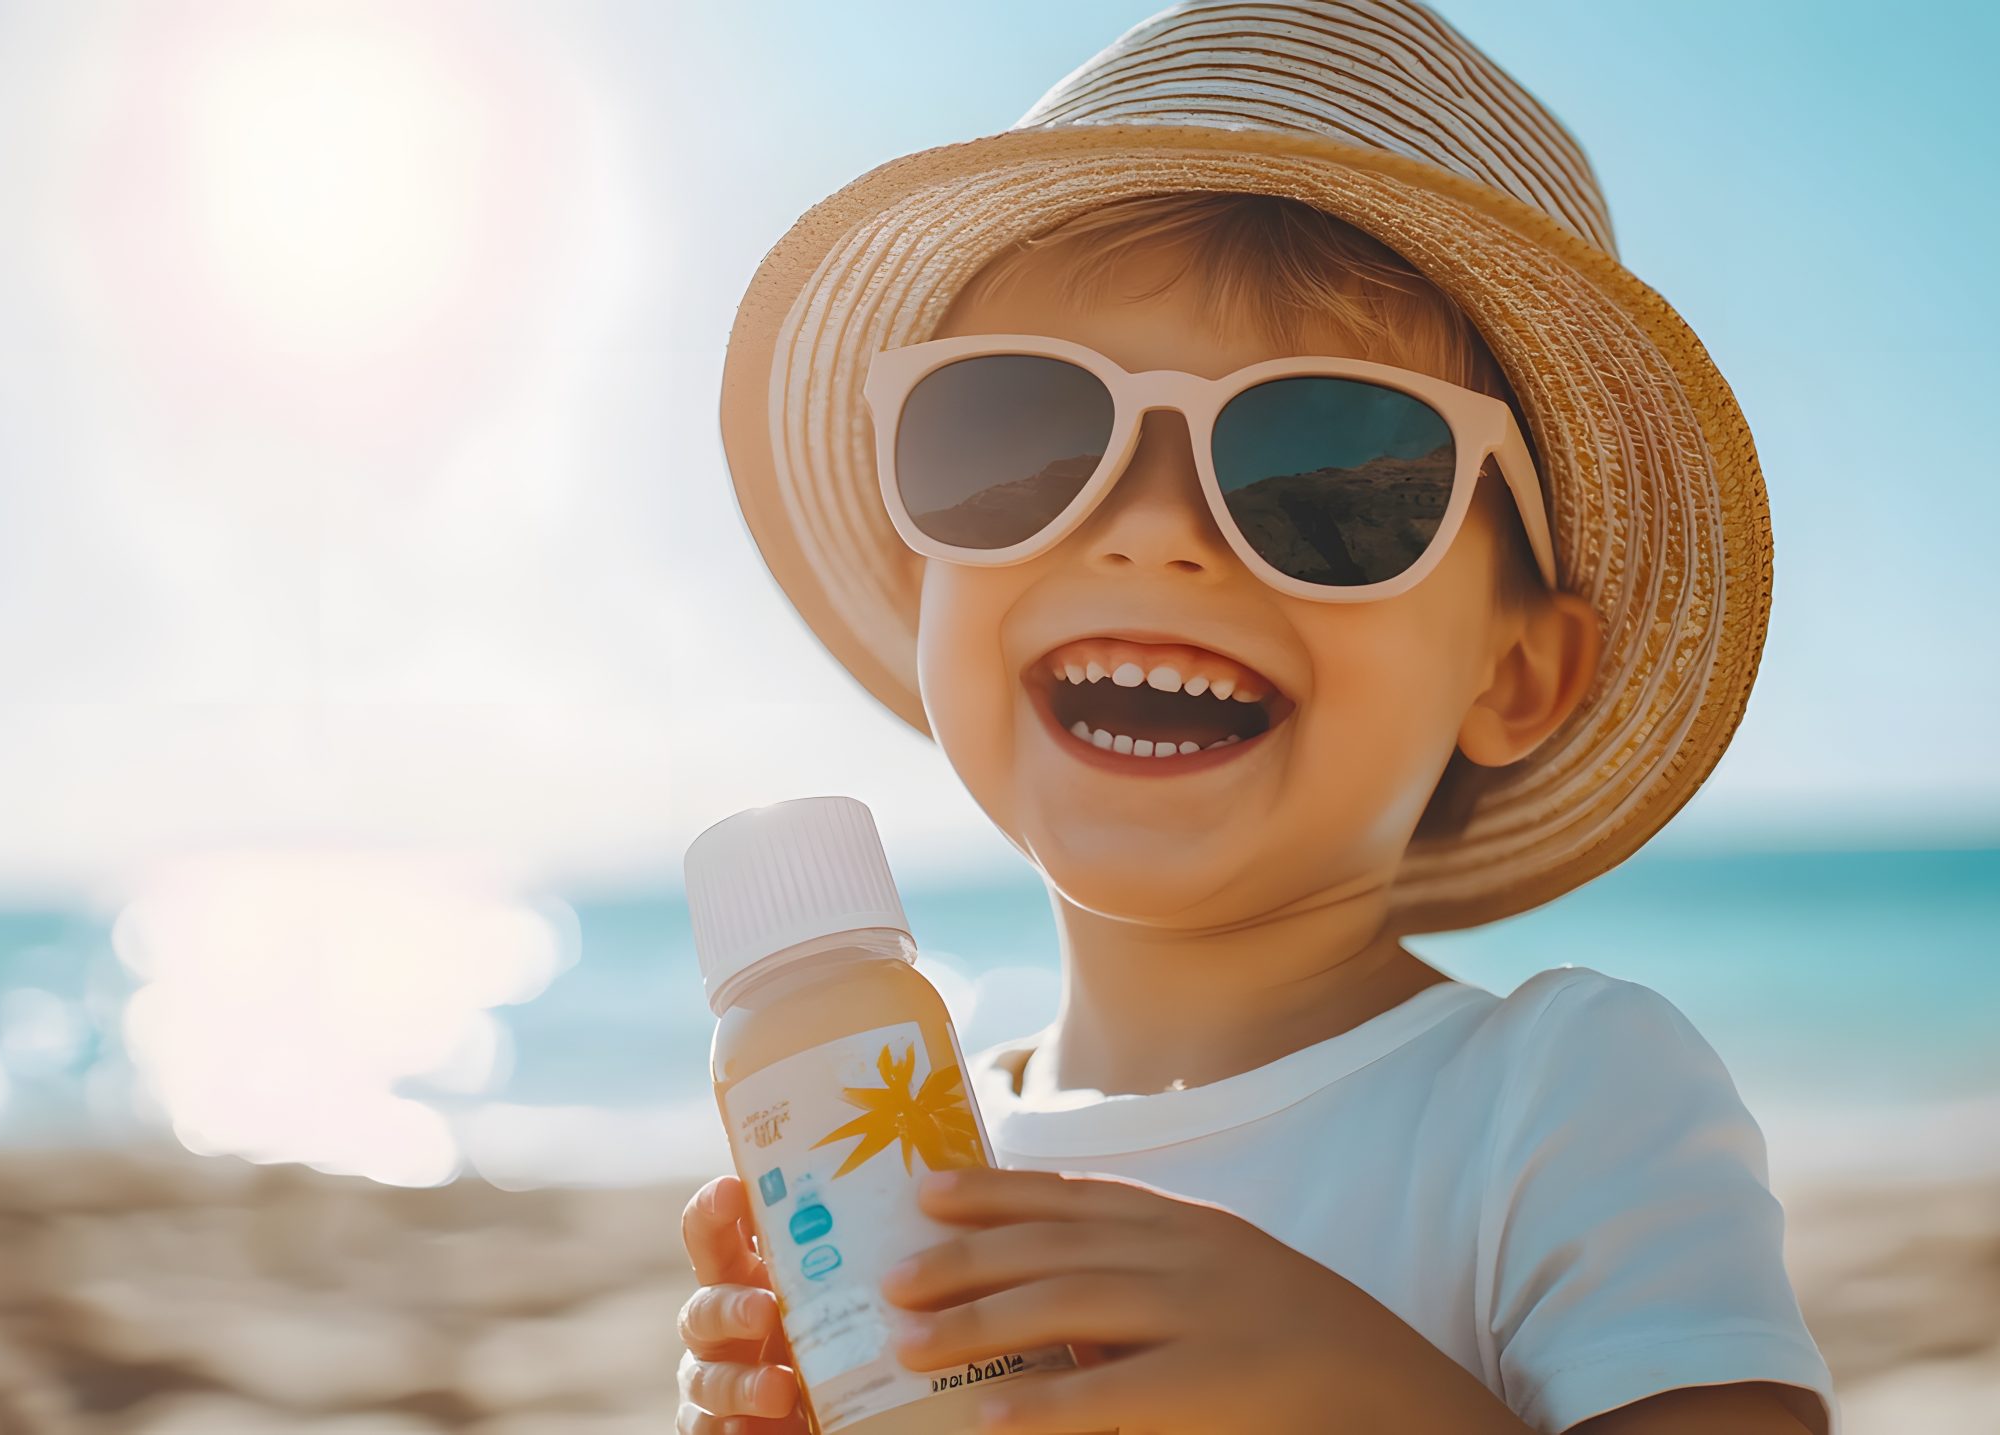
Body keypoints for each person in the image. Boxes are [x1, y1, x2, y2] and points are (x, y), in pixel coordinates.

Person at [678, 2, 1833, 1431]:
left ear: (1513, 672)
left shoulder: (1558, 1102)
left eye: (1337, 471)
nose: (1153, 531)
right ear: (925, 572)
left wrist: (1374, 1401)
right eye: (1026, 436)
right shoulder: (908, 1150)